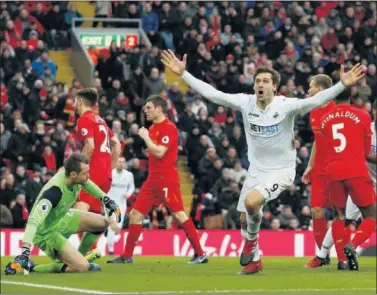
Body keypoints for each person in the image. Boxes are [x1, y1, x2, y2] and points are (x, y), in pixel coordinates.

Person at [161, 49, 365, 274]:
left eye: (265, 81)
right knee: (242, 217)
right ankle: (255, 260)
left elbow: (316, 99)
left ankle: (250, 243)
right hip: (256, 170)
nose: (260, 84)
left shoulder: (285, 105)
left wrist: (341, 85)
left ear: (274, 87)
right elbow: (213, 94)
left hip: (281, 171)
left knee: (251, 203)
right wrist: (183, 74)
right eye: (257, 80)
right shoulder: (246, 103)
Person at [107, 95, 208, 264]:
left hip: (166, 178)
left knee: (178, 214)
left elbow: (160, 152)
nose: (145, 111)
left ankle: (200, 253)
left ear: (159, 109)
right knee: (135, 215)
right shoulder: (154, 128)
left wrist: (146, 137)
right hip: (152, 179)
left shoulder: (168, 127)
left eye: (149, 108)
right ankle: (127, 255)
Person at [5, 153, 120, 275]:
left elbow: (88, 184)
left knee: (103, 222)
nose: (88, 176)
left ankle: (80, 257)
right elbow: (33, 221)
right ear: (74, 174)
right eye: (85, 173)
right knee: (81, 267)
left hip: (62, 217)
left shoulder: (73, 177)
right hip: (47, 233)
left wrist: (106, 200)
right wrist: (25, 252)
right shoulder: (54, 192)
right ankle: (33, 267)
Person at [321, 92, 376, 271]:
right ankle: (353, 244)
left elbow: (325, 147)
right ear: (351, 97)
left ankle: (342, 261)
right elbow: (367, 152)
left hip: (333, 172)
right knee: (371, 215)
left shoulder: (324, 119)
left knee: (339, 217)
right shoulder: (362, 115)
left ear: (333, 98)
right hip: (357, 172)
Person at [73, 88, 121, 253]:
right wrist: (111, 167)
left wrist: (79, 168)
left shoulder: (84, 120)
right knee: (92, 216)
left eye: (75, 101)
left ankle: (69, 252)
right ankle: (90, 251)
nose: (74, 105)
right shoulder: (101, 120)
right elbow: (117, 144)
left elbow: (90, 145)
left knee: (78, 213)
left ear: (80, 102)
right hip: (105, 175)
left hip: (92, 173)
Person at [107, 156, 135, 255]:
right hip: (111, 203)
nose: (121, 163)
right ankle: (110, 248)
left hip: (122, 204)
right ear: (116, 163)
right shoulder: (111, 173)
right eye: (119, 162)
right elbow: (105, 186)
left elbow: (132, 187)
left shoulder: (129, 175)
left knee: (119, 225)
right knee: (113, 224)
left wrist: (128, 194)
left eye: (123, 162)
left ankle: (110, 241)